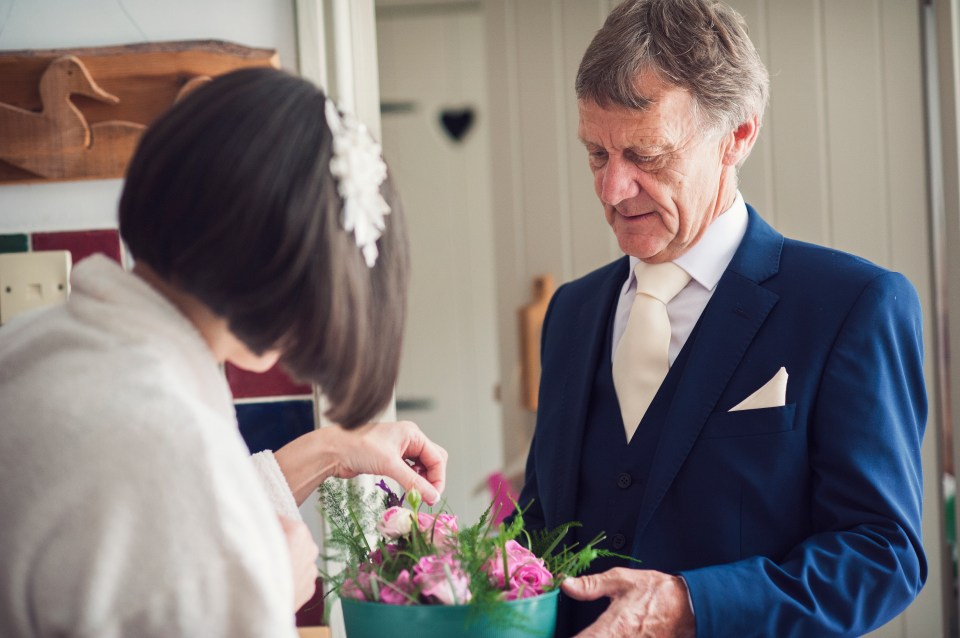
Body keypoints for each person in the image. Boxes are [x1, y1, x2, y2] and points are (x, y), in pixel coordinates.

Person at [515, 1, 927, 636]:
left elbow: (884, 556)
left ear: (737, 136)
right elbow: (541, 538)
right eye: (597, 154)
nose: (611, 189)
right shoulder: (571, 313)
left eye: (645, 154)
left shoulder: (853, 305)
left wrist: (689, 605)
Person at [0, 68, 447, 637]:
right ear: (295, 280)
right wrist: (263, 593)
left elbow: (156, 526)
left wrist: (335, 450)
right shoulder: (162, 436)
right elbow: (172, 497)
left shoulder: (33, 343)